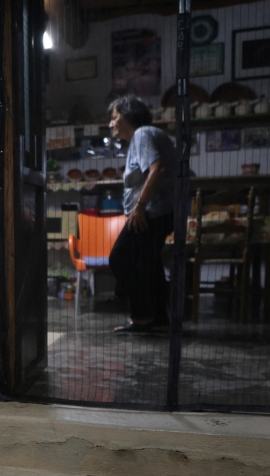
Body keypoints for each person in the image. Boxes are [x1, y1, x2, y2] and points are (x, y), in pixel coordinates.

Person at [107, 94, 177, 333]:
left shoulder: (142, 134)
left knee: (120, 256)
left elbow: (157, 170)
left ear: (128, 116)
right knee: (149, 263)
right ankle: (157, 318)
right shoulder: (143, 137)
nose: (111, 123)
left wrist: (139, 207)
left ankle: (141, 316)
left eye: (115, 117)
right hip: (159, 212)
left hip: (153, 212)